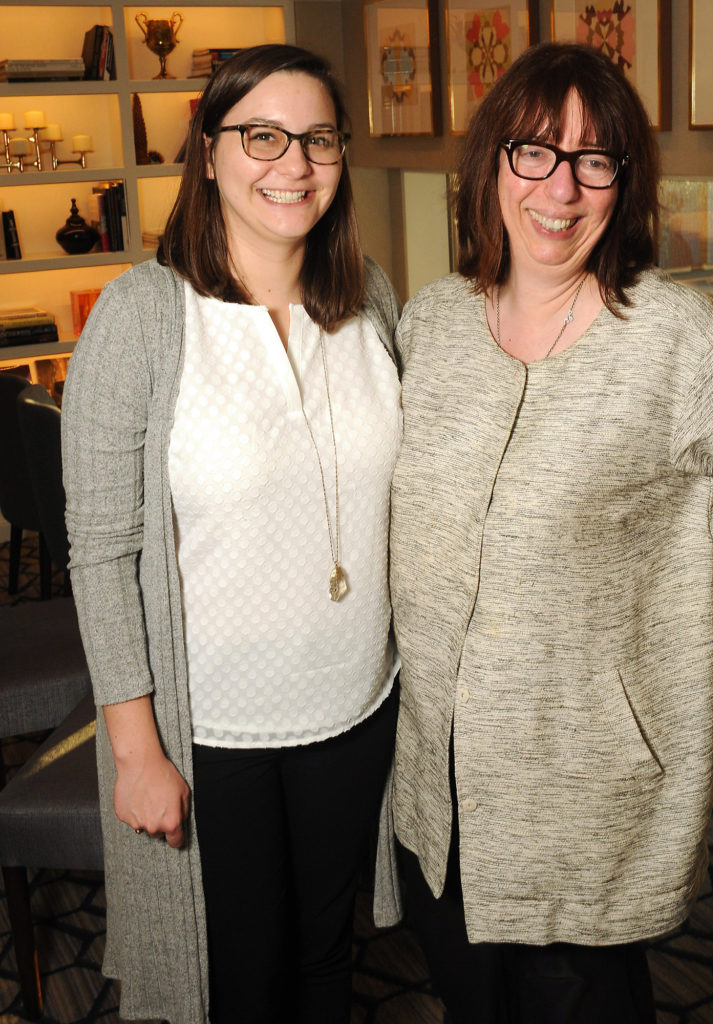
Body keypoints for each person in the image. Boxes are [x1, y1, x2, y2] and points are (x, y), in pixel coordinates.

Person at [387, 41, 713, 1024]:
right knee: (466, 998)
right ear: (491, 165)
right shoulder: (432, 325)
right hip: (436, 779)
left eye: (595, 160)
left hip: (580, 784)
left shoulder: (669, 337)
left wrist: (692, 539)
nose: (561, 187)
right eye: (534, 152)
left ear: (623, 183)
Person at [62, 44, 401, 1024]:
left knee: (328, 960)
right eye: (262, 135)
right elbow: (101, 549)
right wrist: (135, 750)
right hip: (213, 733)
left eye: (317, 139)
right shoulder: (142, 318)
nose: (291, 164)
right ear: (207, 153)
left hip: (355, 704)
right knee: (240, 982)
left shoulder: (368, 297)